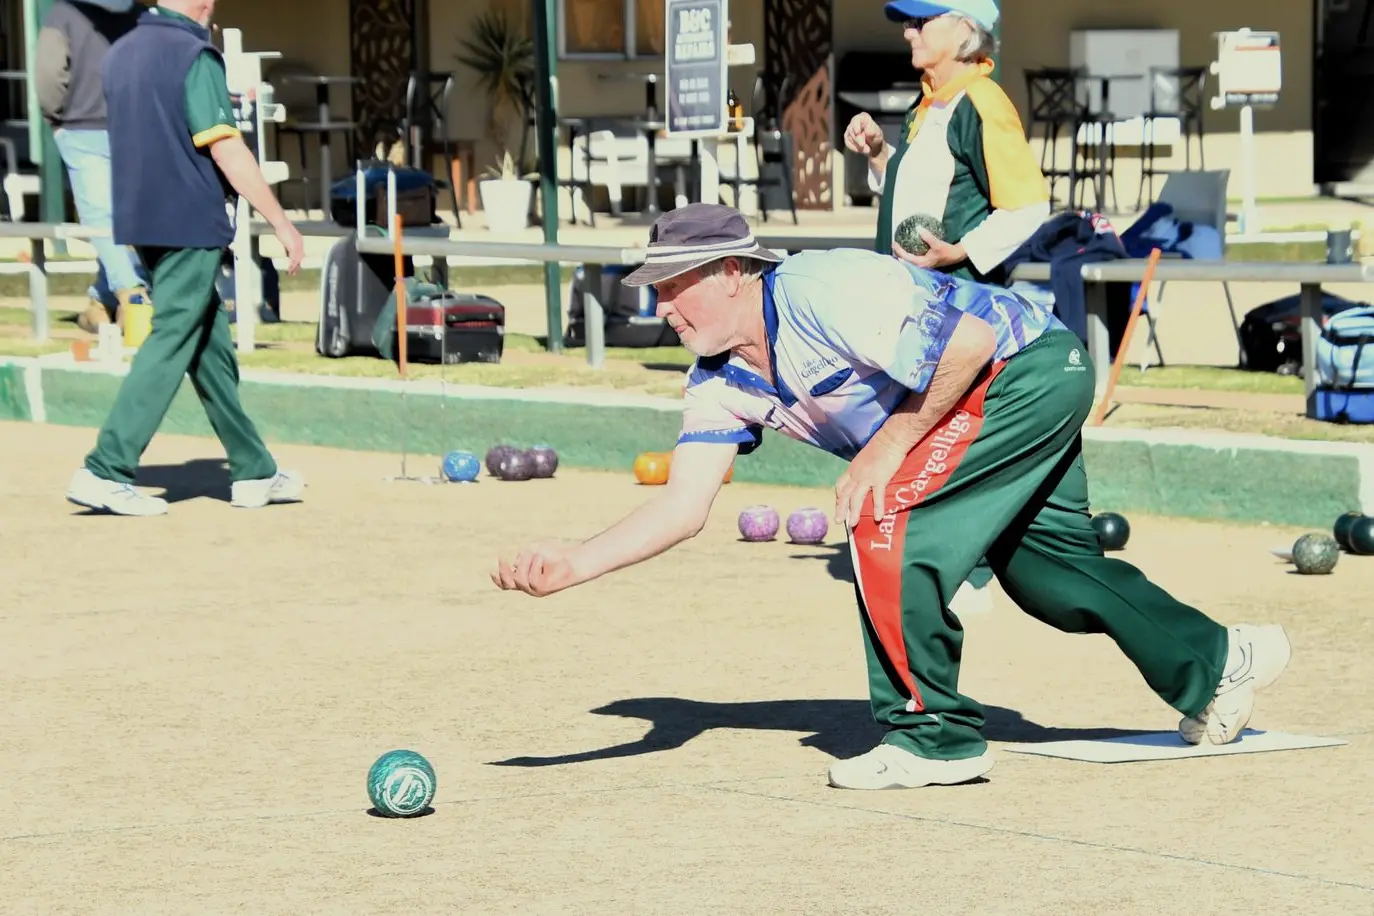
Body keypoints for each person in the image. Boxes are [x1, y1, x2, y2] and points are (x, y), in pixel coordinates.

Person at [490, 203, 1292, 791]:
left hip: (1025, 371)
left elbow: (969, 344)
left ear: (734, 273)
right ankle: (1220, 660)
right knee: (1053, 579)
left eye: (676, 287)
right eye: (653, 291)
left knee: (885, 515)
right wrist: (574, 563)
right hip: (991, 394)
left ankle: (934, 738)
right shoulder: (718, 381)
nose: (660, 308)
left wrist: (882, 450)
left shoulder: (818, 288)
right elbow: (683, 507)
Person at [844, 0, 1051, 616]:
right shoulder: (929, 103)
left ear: (964, 30)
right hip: (921, 302)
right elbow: (918, 196)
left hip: (963, 305)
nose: (908, 31)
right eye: (906, 21)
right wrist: (881, 155)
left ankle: (966, 570)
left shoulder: (982, 102)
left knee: (952, 426)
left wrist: (961, 250)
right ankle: (949, 560)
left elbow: (1028, 208)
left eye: (920, 20)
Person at [65, 0, 306, 517]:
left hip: (141, 219)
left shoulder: (121, 50)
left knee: (207, 344)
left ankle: (253, 469)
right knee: (174, 334)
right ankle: (105, 468)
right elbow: (226, 149)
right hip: (189, 220)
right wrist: (282, 223)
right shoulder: (195, 55)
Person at [36, 0, 151, 334]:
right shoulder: (141, 16)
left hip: (79, 125)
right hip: (134, 126)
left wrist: (54, 117)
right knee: (122, 220)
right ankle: (100, 303)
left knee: (100, 218)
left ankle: (132, 295)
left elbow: (49, 73)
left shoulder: (63, 13)